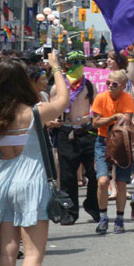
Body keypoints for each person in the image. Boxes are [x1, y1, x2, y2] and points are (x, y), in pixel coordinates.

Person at [0, 53, 70, 266]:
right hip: (30, 180)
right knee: (32, 253)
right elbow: (63, 100)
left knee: (6, 252)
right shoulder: (34, 112)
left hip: (1, 180)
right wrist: (56, 68)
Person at [50, 51, 100, 226]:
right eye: (74, 62)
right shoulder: (58, 87)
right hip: (66, 132)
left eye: (81, 61)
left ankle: (93, 205)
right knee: (67, 176)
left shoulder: (89, 85)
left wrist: (94, 117)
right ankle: (69, 212)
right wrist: (54, 121)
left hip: (86, 132)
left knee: (94, 173)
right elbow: (52, 109)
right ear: (67, 65)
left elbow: (95, 105)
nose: (78, 65)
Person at [90, 69, 134, 234]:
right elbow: (95, 122)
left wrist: (116, 118)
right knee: (102, 181)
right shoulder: (101, 98)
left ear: (122, 86)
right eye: (107, 83)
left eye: (114, 84)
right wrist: (112, 117)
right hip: (103, 142)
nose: (109, 86)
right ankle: (103, 217)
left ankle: (119, 218)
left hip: (121, 142)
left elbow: (127, 121)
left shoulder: (127, 98)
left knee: (121, 183)